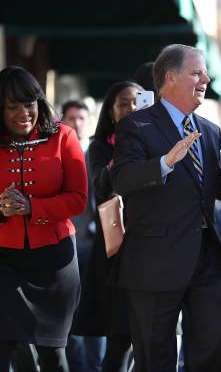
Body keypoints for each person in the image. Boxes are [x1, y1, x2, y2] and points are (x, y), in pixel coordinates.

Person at [111, 44, 221, 371]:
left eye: (204, 73)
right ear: (170, 77)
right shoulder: (135, 126)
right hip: (155, 262)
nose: (205, 79)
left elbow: (220, 185)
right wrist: (165, 162)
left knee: (216, 345)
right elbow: (121, 180)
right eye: (196, 73)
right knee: (155, 357)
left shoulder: (208, 131)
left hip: (207, 260)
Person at [0, 66, 87, 372]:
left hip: (54, 260)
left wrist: (33, 207)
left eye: (29, 105)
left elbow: (78, 200)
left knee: (53, 356)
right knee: (0, 351)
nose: (23, 113)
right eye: (12, 107)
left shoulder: (63, 137)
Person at [73, 81, 143, 371]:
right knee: (120, 338)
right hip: (115, 251)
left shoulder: (159, 142)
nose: (132, 108)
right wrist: (124, 149)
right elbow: (101, 188)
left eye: (138, 102)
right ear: (111, 113)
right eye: (124, 104)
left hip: (151, 248)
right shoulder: (100, 148)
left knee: (151, 339)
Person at [61, 99, 107, 372]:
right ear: (63, 121)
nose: (76, 123)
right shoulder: (57, 156)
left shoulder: (96, 155)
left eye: (81, 118)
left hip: (95, 247)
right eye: (71, 118)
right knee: (68, 317)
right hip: (65, 249)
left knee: (96, 314)